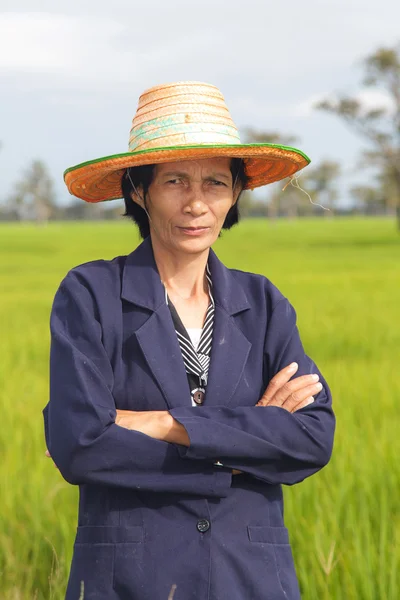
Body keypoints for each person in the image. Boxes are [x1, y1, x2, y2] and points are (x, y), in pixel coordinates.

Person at [43, 81, 335, 600]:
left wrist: (162, 424)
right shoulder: (91, 294)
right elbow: (79, 444)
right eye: (175, 180)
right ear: (139, 189)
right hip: (131, 579)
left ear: (236, 193)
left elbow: (312, 439)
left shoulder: (262, 304)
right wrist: (248, 442)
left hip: (251, 578)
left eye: (216, 183)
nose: (197, 203)